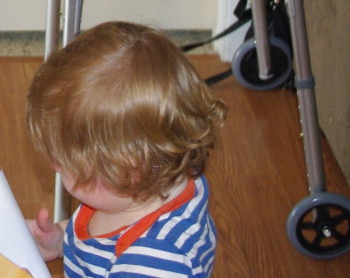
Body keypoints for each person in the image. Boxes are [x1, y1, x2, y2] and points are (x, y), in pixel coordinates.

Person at [25, 22, 227, 277]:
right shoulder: (144, 183)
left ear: (125, 171)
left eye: (64, 162)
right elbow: (100, 239)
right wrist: (60, 240)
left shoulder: (155, 260)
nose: (55, 165)